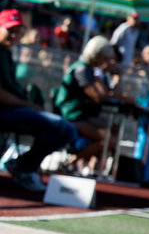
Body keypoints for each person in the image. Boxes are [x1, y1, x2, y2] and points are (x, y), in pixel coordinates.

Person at [0, 9, 78, 191]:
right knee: (60, 127)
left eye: (18, 31)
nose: (14, 35)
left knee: (67, 130)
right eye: (10, 30)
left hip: (13, 109)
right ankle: (24, 167)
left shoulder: (5, 52)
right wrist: (27, 105)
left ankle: (23, 165)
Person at [53, 35, 132, 175]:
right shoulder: (82, 69)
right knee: (108, 139)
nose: (107, 62)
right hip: (72, 115)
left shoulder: (89, 69)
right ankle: (70, 162)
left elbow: (104, 95)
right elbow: (98, 97)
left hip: (81, 114)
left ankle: (92, 168)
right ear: (97, 55)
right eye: (106, 58)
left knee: (114, 129)